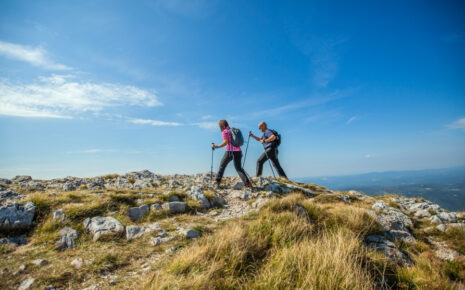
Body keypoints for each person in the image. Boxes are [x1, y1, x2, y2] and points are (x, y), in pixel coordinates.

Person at [212, 120, 252, 188]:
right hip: (238, 151)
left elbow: (225, 142)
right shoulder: (232, 130)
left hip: (230, 151)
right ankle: (247, 183)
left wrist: (216, 146)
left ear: (221, 126)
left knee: (222, 165)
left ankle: (217, 180)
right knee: (239, 168)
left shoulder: (225, 131)